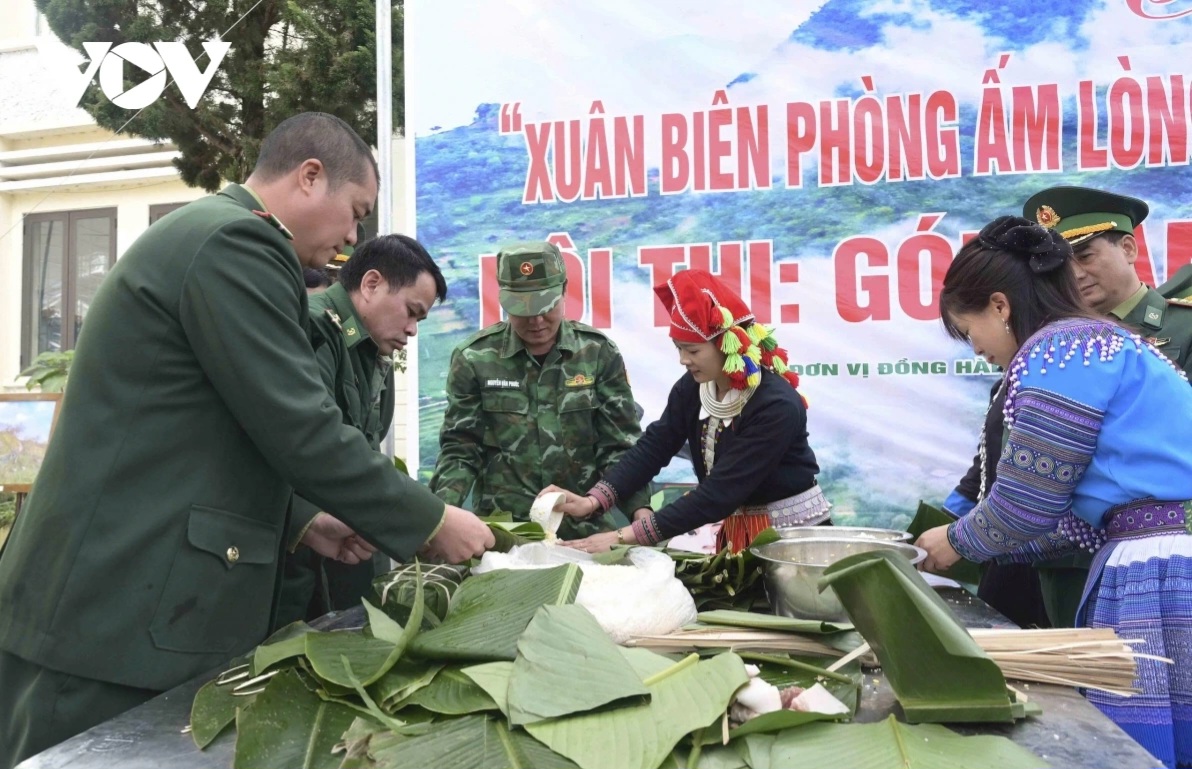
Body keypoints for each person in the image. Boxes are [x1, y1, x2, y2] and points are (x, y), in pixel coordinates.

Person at [0, 112, 493, 768]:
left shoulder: (215, 239)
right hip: (114, 614)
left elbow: (208, 435)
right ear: (309, 177)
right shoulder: (238, 244)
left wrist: (305, 519)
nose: (353, 236)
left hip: (120, 603)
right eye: (355, 211)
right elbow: (303, 429)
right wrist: (430, 520)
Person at [915, 215, 1192, 769]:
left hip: (1157, 573)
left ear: (1000, 305)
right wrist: (975, 543)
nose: (977, 351)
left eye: (970, 333)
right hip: (1154, 554)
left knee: (1137, 753)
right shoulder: (1104, 342)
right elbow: (1065, 523)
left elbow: (1027, 505)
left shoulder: (1058, 351)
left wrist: (954, 542)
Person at [545, 268, 831, 554]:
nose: (683, 360)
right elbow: (654, 447)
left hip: (792, 539)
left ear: (726, 345)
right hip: (737, 534)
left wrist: (622, 536)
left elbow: (719, 494)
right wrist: (591, 501)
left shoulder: (775, 405)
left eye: (693, 351)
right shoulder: (693, 388)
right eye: (679, 348)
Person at [278, 234, 448, 626]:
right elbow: (309, 446)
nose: (412, 330)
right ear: (371, 284)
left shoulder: (370, 351)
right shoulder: (313, 328)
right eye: (410, 312)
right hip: (290, 558)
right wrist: (424, 519)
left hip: (339, 549)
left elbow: (366, 452)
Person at [430, 242, 650, 538]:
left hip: (586, 531)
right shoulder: (475, 359)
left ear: (564, 290)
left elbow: (619, 445)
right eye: (522, 310)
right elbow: (461, 449)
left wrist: (641, 509)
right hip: (507, 531)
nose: (536, 321)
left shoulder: (597, 353)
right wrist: (441, 518)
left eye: (546, 307)